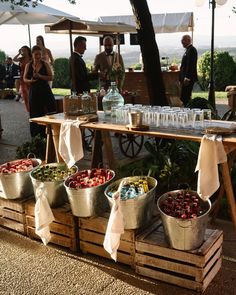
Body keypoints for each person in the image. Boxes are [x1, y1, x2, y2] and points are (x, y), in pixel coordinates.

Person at [24, 45, 56, 138]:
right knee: (35, 113)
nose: (38, 56)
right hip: (34, 91)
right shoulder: (28, 65)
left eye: (39, 54)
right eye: (36, 54)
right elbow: (25, 78)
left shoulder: (45, 64)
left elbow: (51, 77)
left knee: (49, 111)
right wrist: (30, 81)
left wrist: (40, 76)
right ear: (32, 54)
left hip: (45, 90)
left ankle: (49, 135)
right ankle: (36, 137)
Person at [179, 35, 198, 106]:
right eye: (181, 40)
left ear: (189, 40)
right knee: (184, 96)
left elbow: (191, 65)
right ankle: (187, 108)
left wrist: (187, 78)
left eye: (183, 40)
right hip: (186, 78)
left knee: (185, 96)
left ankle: (188, 109)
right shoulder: (188, 50)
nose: (181, 42)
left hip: (188, 79)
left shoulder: (192, 50)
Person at [13, 46, 32, 110]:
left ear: (28, 50)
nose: (23, 51)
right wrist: (19, 53)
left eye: (25, 50)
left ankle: (33, 108)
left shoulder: (31, 58)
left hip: (30, 77)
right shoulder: (21, 59)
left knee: (30, 94)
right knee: (25, 94)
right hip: (22, 78)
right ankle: (29, 110)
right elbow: (14, 59)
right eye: (22, 50)